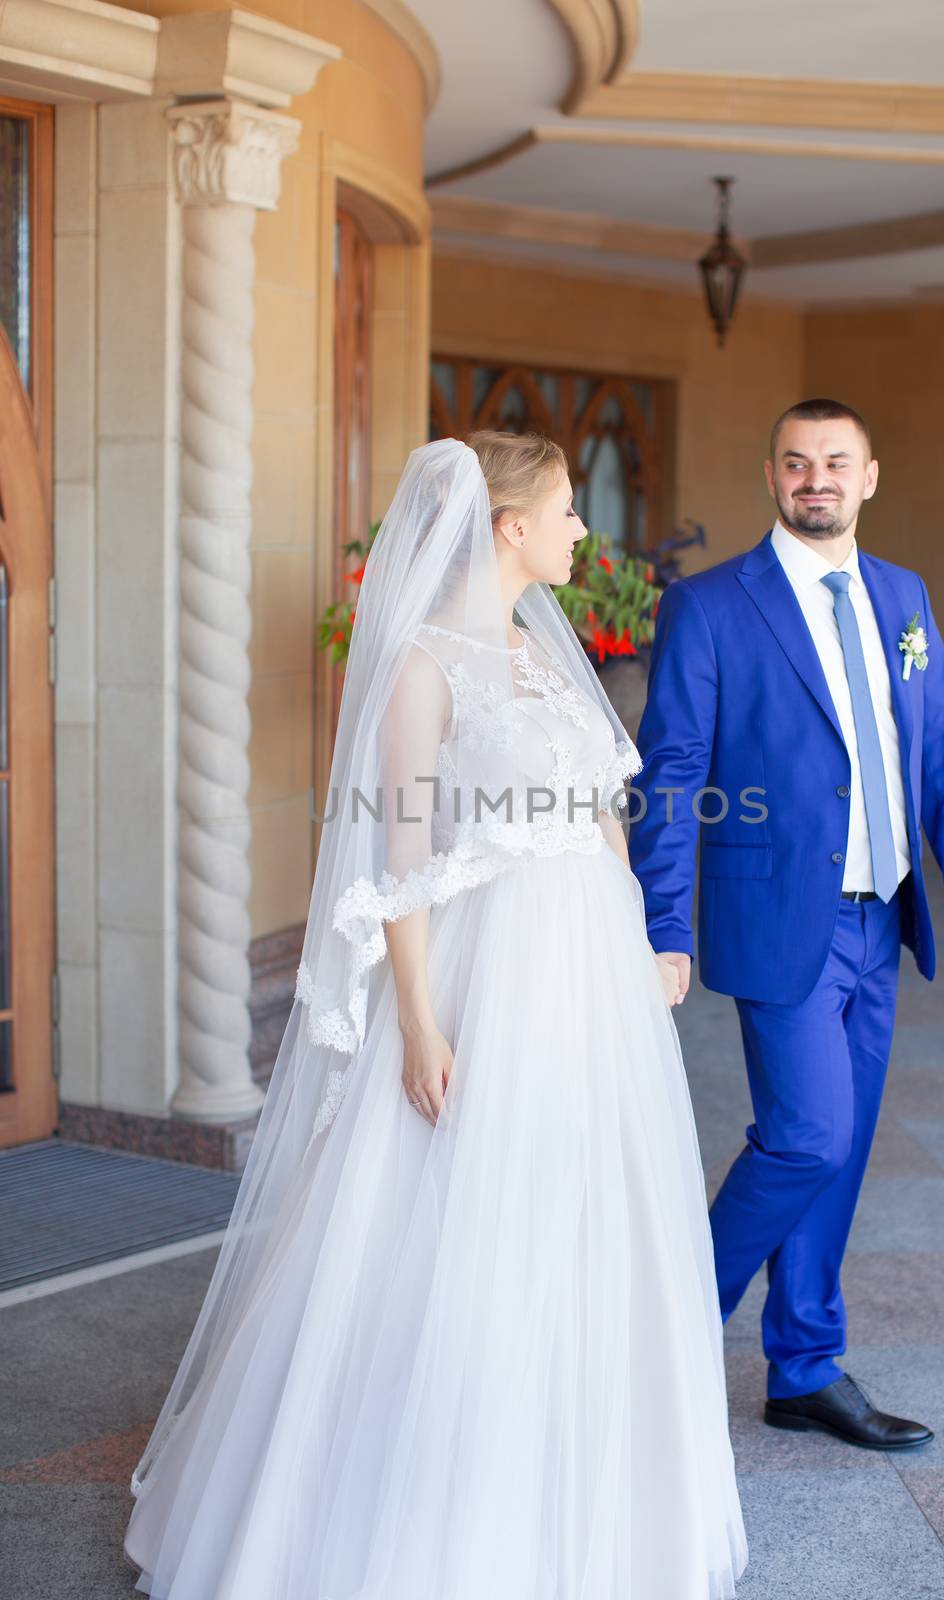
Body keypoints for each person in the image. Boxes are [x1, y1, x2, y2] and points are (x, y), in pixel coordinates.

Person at [123, 432, 748, 1599]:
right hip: (484, 969)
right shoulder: (423, 665)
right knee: (453, 1218)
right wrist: (417, 1018)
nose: (580, 534)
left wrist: (637, 941)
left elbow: (603, 808)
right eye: (566, 513)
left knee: (586, 1209)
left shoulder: (549, 657)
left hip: (588, 979)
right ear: (509, 527)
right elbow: (397, 860)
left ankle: (586, 1486)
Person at [628, 397, 944, 1451]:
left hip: (879, 917)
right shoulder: (708, 606)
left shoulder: (901, 596)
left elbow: (937, 758)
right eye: (795, 464)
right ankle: (662, 1321)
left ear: (868, 476)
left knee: (838, 1150)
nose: (815, 481)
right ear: (769, 477)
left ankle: (802, 1365)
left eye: (834, 463)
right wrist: (664, 923)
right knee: (803, 1137)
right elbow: (670, 777)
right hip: (774, 914)